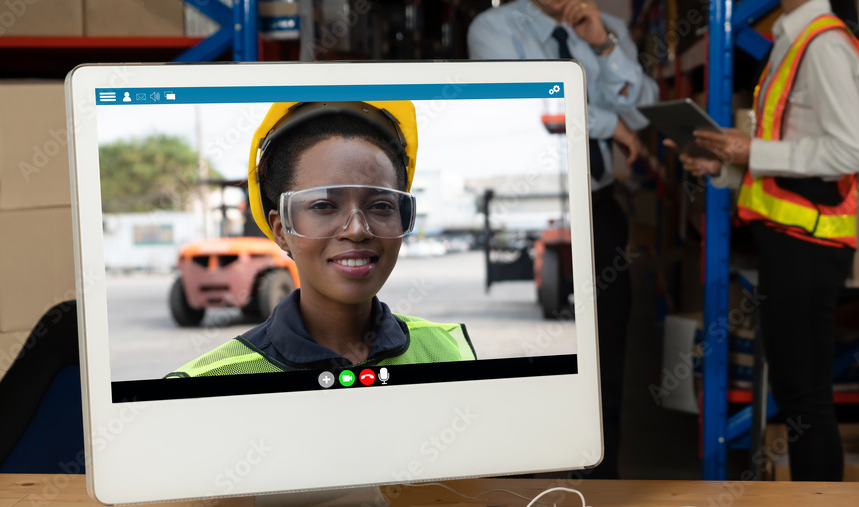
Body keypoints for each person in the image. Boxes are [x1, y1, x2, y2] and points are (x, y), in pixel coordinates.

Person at [674, 0, 859, 481]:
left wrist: (750, 148)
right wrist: (725, 166)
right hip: (789, 242)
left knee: (806, 398)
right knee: (796, 393)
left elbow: (854, 149)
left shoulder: (822, 44)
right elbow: (791, 162)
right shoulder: (791, 39)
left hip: (810, 245)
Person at [468, 0, 659, 479]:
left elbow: (642, 108)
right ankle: (517, 478)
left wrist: (603, 45)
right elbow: (527, 104)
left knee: (607, 351)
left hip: (597, 206)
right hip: (537, 204)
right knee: (528, 358)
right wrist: (605, 123)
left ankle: (602, 478)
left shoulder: (608, 29)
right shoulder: (493, 28)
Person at [166, 101, 476, 378]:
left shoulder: (449, 351)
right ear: (281, 229)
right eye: (323, 205)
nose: (356, 230)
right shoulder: (205, 384)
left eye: (381, 205)